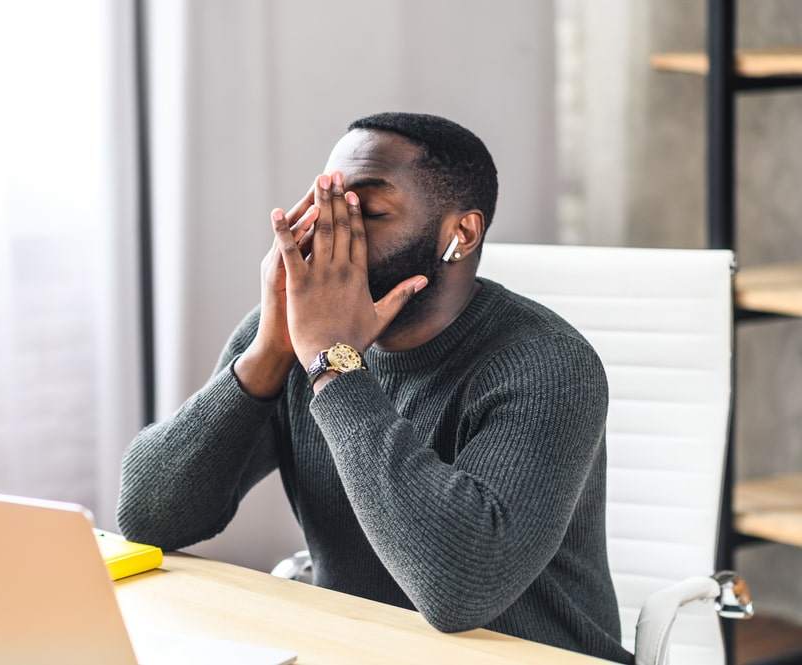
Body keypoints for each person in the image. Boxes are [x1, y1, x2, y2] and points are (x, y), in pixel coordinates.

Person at [117, 112, 632, 664]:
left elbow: (459, 590)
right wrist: (269, 353)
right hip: (360, 649)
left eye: (370, 209)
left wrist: (333, 365)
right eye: (330, 202)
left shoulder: (547, 363)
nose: (334, 228)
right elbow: (149, 517)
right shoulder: (293, 337)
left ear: (461, 234)